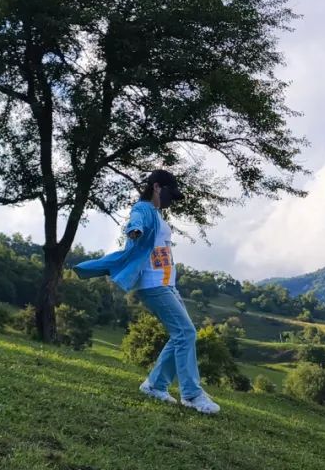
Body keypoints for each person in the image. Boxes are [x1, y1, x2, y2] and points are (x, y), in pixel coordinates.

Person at [74, 170, 220, 415]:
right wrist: (135, 230)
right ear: (156, 187)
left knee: (180, 335)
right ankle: (192, 395)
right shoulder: (143, 209)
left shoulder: (158, 215)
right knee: (186, 332)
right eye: (169, 194)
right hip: (153, 284)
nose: (170, 201)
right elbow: (135, 220)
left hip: (167, 283)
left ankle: (155, 385)